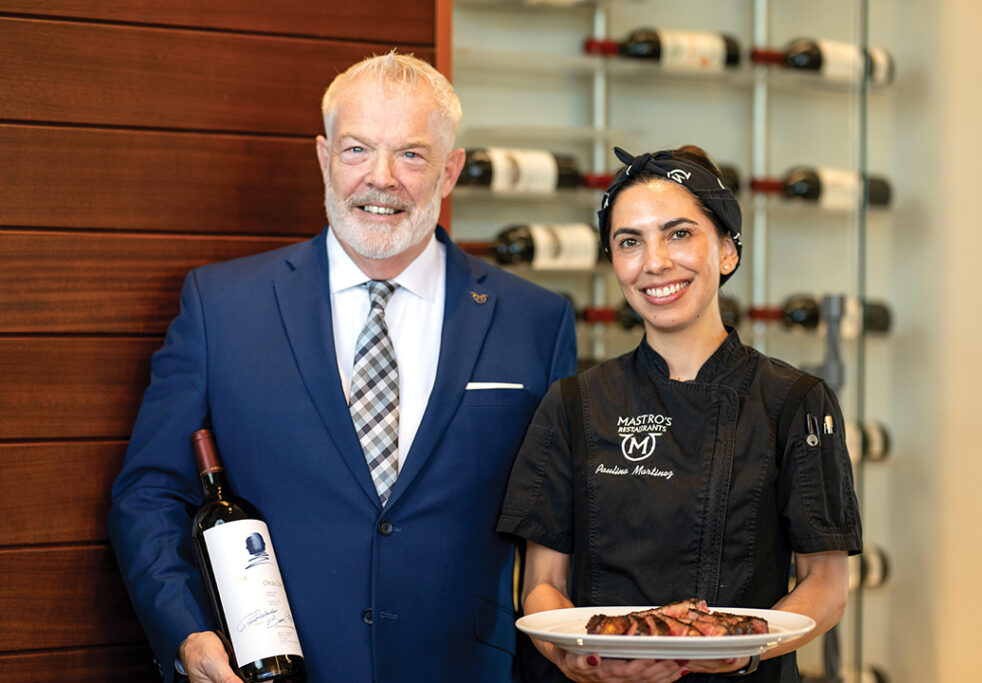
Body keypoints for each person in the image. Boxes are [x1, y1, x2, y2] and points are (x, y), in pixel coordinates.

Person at [108, 52, 577, 683]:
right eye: (357, 150)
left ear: (450, 171)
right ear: (325, 158)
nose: (381, 179)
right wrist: (186, 633)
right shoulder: (220, 307)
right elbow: (149, 493)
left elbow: (558, 517)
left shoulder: (537, 320)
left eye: (411, 155)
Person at [497, 146, 862, 683]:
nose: (655, 262)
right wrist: (573, 659)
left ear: (727, 251)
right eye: (630, 242)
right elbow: (541, 586)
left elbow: (826, 588)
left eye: (679, 234)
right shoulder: (574, 403)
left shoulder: (795, 401)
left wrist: (741, 650)